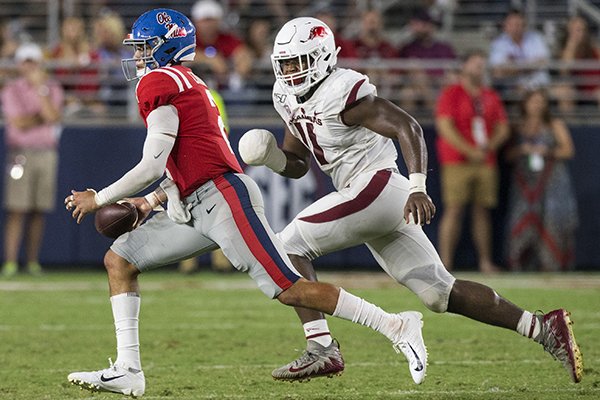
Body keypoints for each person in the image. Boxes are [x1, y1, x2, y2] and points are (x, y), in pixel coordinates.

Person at [63, 9, 428, 397]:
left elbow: (152, 162)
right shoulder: (186, 81)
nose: (138, 57)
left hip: (223, 199)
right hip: (194, 201)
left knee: (290, 288)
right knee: (119, 260)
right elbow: (186, 160)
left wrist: (99, 197)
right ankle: (128, 370)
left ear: (165, 47)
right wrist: (150, 201)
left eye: (145, 47)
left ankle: (396, 325)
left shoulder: (159, 80)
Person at [237, 17, 582, 384]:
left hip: (377, 187)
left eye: (298, 62)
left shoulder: (343, 92)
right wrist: (272, 157)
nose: (290, 72)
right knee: (439, 294)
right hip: (368, 196)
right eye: (285, 63)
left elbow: (408, 126)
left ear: (322, 58)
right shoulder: (285, 96)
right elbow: (299, 164)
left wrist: (418, 186)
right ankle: (543, 328)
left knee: (287, 247)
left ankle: (322, 348)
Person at [435, 50, 509, 274]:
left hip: (484, 160)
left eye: (482, 64)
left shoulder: (490, 96)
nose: (480, 68)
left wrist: (489, 147)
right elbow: (445, 126)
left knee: (482, 211)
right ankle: (444, 263)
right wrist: (469, 150)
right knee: (454, 209)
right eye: (476, 64)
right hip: (457, 160)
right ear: (464, 66)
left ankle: (485, 262)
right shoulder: (451, 93)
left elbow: (503, 128)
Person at [1, 42, 64, 277]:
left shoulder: (51, 88)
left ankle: (32, 261)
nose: (29, 67)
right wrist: (39, 118)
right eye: (25, 62)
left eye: (32, 62)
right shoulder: (11, 89)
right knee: (17, 208)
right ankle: (10, 262)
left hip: (46, 152)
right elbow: (18, 122)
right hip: (21, 152)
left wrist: (40, 91)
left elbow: (52, 116)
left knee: (39, 209)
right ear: (19, 64)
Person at [505, 89, 578, 271]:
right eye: (533, 101)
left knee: (553, 220)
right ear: (525, 104)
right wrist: (523, 149)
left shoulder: (554, 124)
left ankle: (552, 265)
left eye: (540, 101)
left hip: (552, 181)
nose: (537, 105)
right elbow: (508, 155)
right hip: (525, 183)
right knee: (522, 218)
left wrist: (547, 152)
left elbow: (568, 150)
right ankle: (520, 264)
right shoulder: (518, 126)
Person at [488, 9, 551, 102]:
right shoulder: (498, 43)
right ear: (505, 26)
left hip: (540, 86)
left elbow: (544, 62)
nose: (515, 28)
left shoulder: (536, 38)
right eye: (511, 24)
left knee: (565, 91)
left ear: (524, 25)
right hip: (513, 88)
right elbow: (498, 71)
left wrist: (514, 66)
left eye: (518, 24)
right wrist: (530, 66)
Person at [551, 15, 600, 113]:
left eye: (581, 29)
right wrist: (572, 44)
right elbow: (564, 70)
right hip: (575, 87)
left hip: (594, 88)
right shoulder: (563, 51)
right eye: (574, 30)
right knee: (566, 92)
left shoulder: (594, 49)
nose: (578, 33)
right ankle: (570, 125)